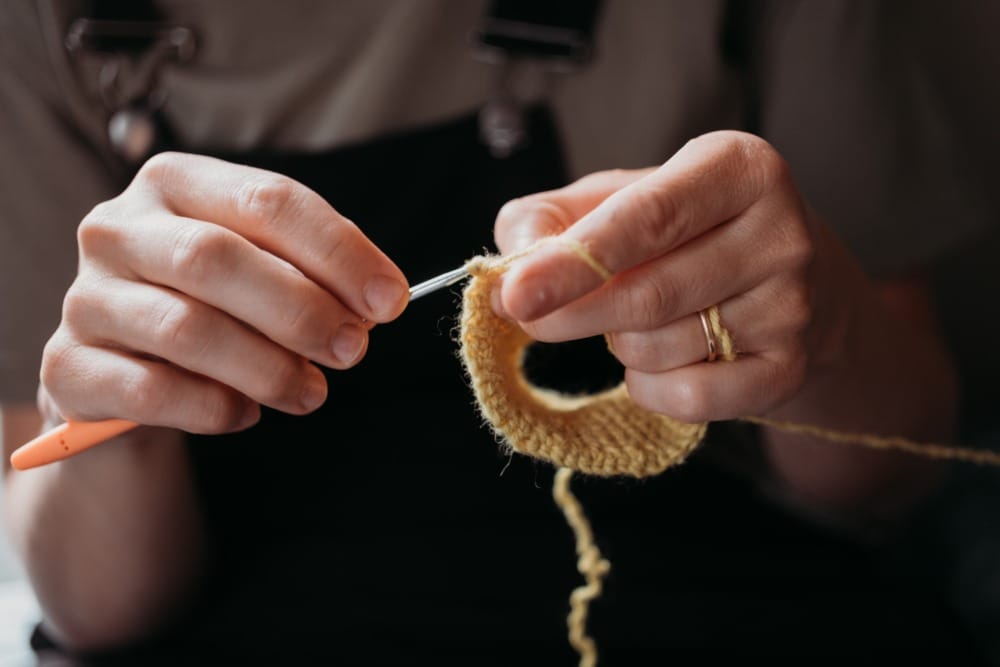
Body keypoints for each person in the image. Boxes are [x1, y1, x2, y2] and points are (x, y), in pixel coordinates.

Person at [2, 1, 998, 664]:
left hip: (738, 607)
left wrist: (816, 338)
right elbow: (96, 608)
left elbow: (889, 471)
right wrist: (108, 425)